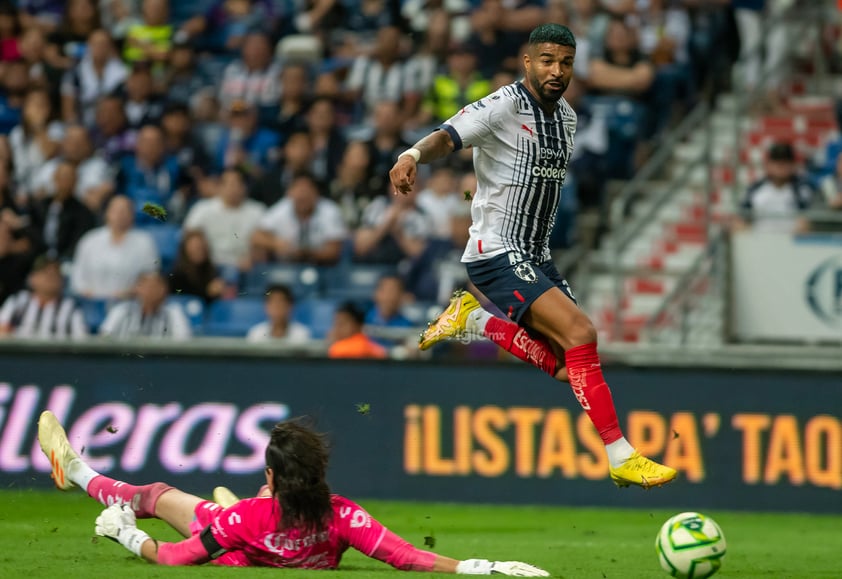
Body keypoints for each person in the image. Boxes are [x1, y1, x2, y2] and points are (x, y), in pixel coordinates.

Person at [388, 23, 676, 489]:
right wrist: (412, 156)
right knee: (583, 331)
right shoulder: (503, 105)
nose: (556, 70)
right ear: (527, 62)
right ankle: (621, 455)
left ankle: (474, 320)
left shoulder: (567, 118)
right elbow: (448, 135)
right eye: (547, 60)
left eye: (565, 62)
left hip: (536, 255)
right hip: (497, 250)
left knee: (569, 367)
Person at [37, 411, 548, 576]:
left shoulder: (244, 520)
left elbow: (172, 559)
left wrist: (125, 535)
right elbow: (407, 557)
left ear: (275, 477)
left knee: (152, 495)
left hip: (230, 542)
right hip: (251, 536)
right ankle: (79, 470)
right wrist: (477, 567)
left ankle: (77, 470)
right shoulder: (344, 516)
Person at [0, 255, 87, 339]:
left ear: (62, 280)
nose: (51, 277)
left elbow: (80, 341)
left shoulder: (71, 307)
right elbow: (2, 329)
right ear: (32, 278)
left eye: (55, 273)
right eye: (45, 273)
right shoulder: (18, 301)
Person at [99, 271, 192, 339]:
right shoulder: (121, 310)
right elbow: (104, 338)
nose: (150, 291)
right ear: (137, 289)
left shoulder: (174, 312)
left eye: (156, 286)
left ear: (164, 290)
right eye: (146, 286)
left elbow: (183, 341)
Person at [246, 283, 311, 343]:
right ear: (266, 306)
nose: (276, 307)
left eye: (281, 302)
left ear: (290, 306)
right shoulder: (256, 333)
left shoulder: (302, 333)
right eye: (272, 302)